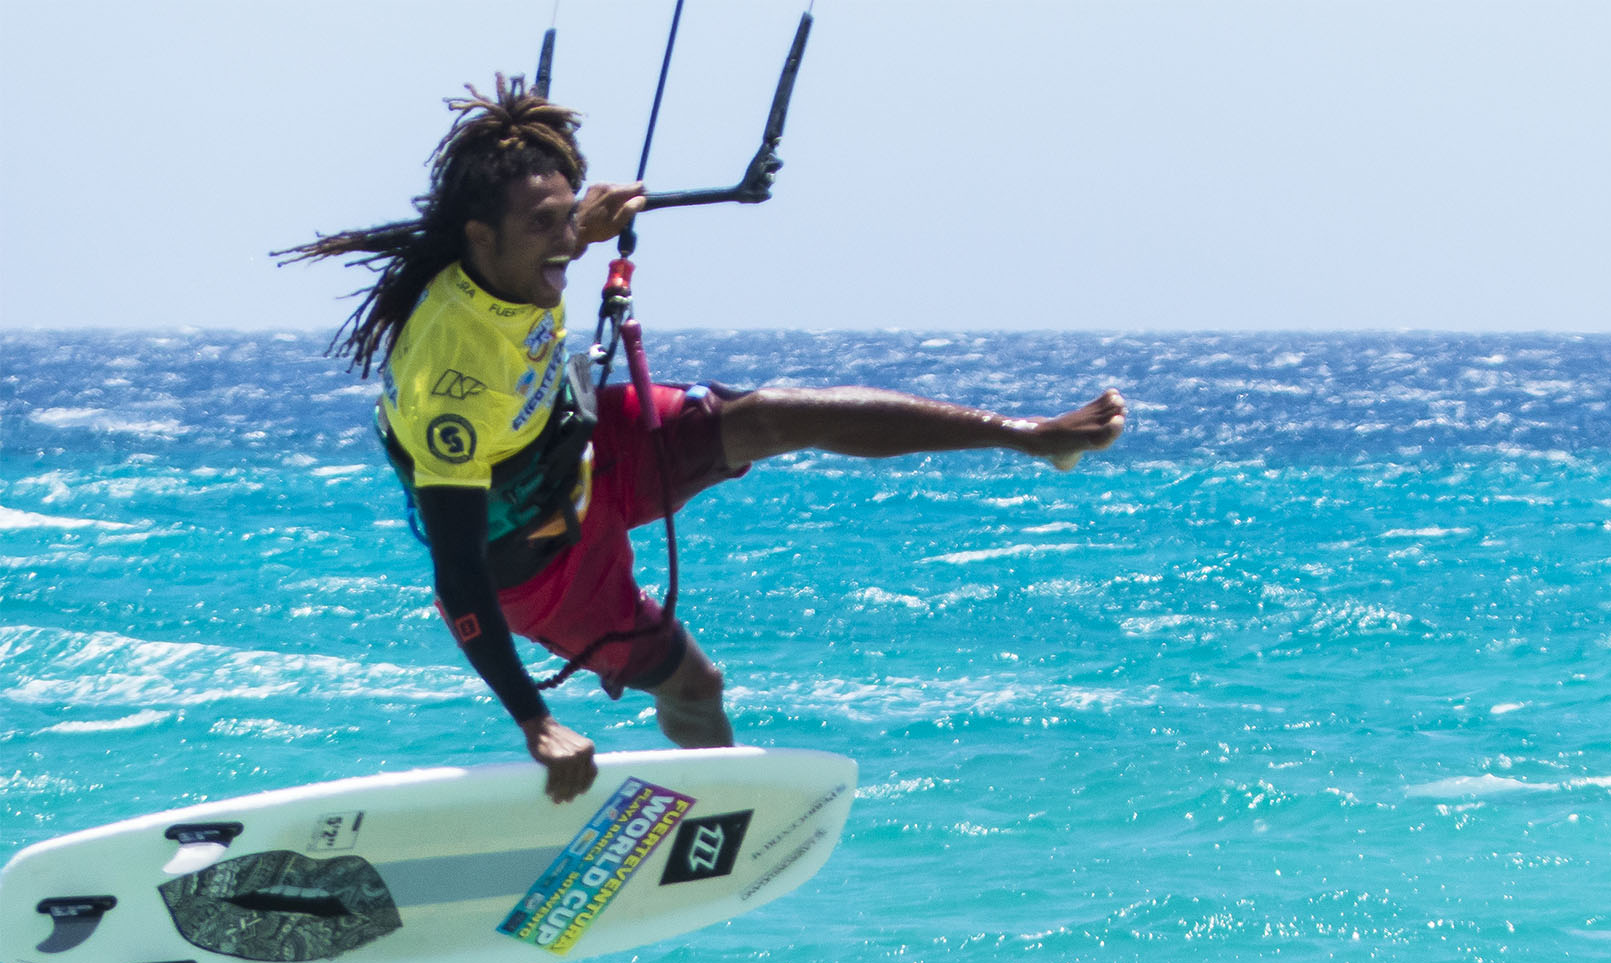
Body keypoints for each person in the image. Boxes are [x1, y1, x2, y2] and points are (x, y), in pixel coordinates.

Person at [279, 77, 1125, 803]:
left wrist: (583, 221)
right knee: (696, 682)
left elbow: (557, 234)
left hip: (577, 444)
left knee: (774, 416)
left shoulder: (517, 253)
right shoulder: (448, 378)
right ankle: (720, 818)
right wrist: (536, 723)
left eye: (566, 218)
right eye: (544, 227)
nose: (564, 243)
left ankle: (1030, 437)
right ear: (480, 239)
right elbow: (457, 574)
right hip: (534, 563)